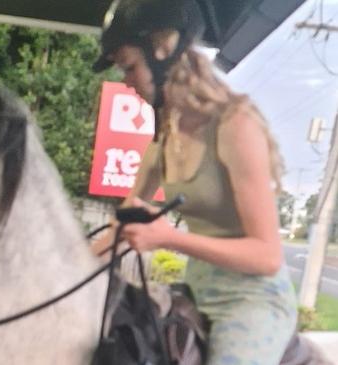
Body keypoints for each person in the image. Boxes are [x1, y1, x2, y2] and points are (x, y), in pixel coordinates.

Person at [90, 0, 298, 364]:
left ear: (163, 52)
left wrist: (168, 238)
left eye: (130, 67)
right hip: (196, 293)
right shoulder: (163, 138)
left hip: (252, 303)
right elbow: (119, 229)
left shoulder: (235, 125)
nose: (125, 82)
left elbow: (267, 256)